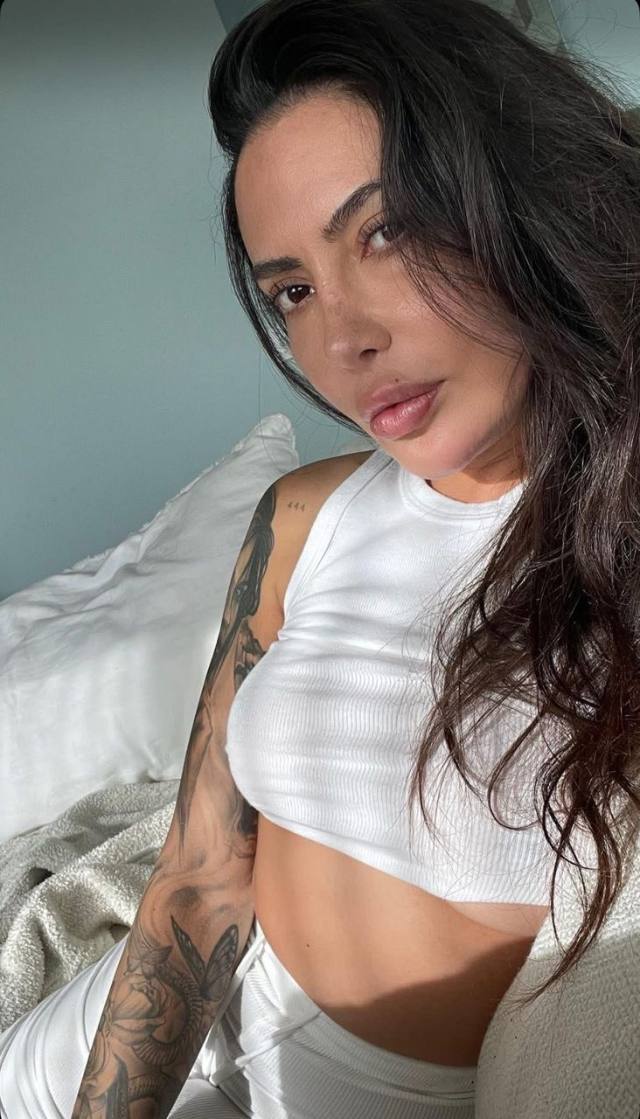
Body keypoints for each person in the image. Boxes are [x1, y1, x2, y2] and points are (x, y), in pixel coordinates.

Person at [2, 0, 639, 1115]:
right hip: (119, 1037)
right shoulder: (305, 516)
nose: (342, 339)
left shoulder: (612, 543)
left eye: (385, 233)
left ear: (519, 201)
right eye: (291, 291)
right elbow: (198, 874)